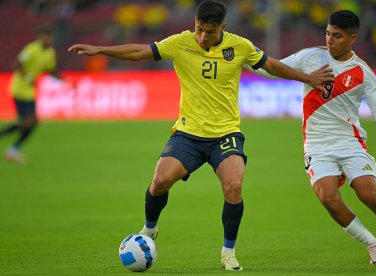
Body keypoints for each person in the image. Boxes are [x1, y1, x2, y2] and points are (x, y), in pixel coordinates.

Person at [68, 0, 333, 271]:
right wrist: (101, 49)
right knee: (159, 181)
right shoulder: (181, 42)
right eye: (199, 30)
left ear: (222, 27)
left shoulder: (239, 46)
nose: (203, 37)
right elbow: (140, 52)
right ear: (194, 24)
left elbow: (271, 65)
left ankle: (228, 252)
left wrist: (307, 78)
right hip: (188, 133)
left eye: (210, 31)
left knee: (233, 187)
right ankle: (149, 229)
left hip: (225, 133)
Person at [245, 10, 376, 266]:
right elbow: (273, 68)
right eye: (327, 33)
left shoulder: (362, 72)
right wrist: (246, 58)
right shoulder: (311, 56)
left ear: (352, 38)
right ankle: (371, 242)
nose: (329, 40)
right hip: (317, 144)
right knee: (327, 197)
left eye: (336, 36)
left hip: (349, 141)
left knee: (368, 195)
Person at [0, 24, 58, 164]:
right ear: (41, 37)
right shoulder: (31, 49)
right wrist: (26, 77)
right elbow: (17, 64)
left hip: (30, 91)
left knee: (30, 123)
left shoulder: (50, 52)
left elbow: (50, 69)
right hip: (19, 89)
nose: (49, 40)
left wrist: (63, 80)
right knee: (28, 122)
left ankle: (13, 149)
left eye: (50, 37)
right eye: (46, 37)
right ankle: (13, 150)